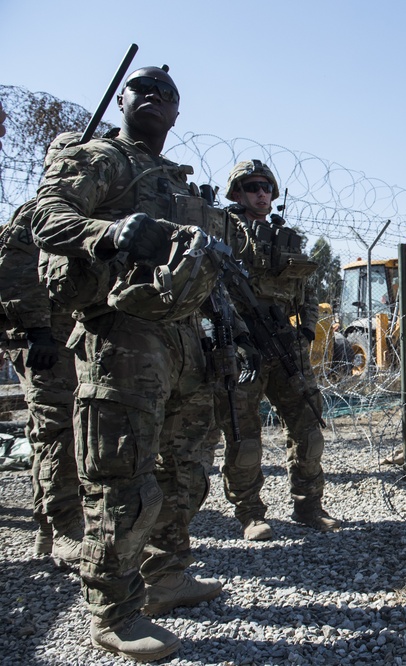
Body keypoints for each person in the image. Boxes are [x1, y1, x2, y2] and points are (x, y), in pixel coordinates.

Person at [31, 66, 224, 661]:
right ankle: (112, 611)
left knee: (186, 473)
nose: (155, 101)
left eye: (167, 96)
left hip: (185, 342)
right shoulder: (104, 160)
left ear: (176, 112)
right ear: (124, 98)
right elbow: (47, 217)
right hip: (124, 337)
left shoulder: (175, 181)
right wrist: (110, 233)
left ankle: (166, 575)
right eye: (144, 91)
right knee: (122, 480)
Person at [215, 159, 337, 540]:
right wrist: (232, 335)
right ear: (237, 192)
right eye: (252, 187)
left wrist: (304, 330)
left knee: (308, 428)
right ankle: (250, 513)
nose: (261, 193)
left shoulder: (286, 238)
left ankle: (309, 506)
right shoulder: (220, 232)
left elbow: (308, 288)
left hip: (284, 344)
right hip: (241, 345)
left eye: (266, 186)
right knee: (244, 436)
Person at [0, 132, 84, 569]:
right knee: (57, 433)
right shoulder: (38, 214)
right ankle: (63, 529)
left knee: (58, 432)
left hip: (70, 338)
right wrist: (37, 332)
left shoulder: (80, 213)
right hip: (44, 343)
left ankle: (50, 529)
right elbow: (14, 273)